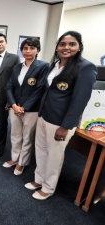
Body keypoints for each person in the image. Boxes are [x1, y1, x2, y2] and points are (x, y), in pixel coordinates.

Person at [25, 31, 97, 200]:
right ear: (57, 47)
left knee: (54, 156)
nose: (66, 47)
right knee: (41, 150)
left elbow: (80, 100)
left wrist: (65, 126)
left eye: (72, 44)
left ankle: (48, 188)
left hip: (60, 122)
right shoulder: (55, 64)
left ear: (79, 47)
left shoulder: (85, 67)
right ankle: (39, 179)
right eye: (62, 44)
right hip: (43, 115)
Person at [4, 38, 49, 175]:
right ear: (21, 50)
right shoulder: (17, 67)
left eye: (31, 48)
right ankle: (14, 158)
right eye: (25, 48)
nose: (28, 51)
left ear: (38, 50)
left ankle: (22, 162)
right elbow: (9, 87)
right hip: (15, 107)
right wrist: (13, 104)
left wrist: (24, 107)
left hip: (31, 110)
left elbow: (40, 89)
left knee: (27, 136)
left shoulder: (43, 66)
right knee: (15, 134)